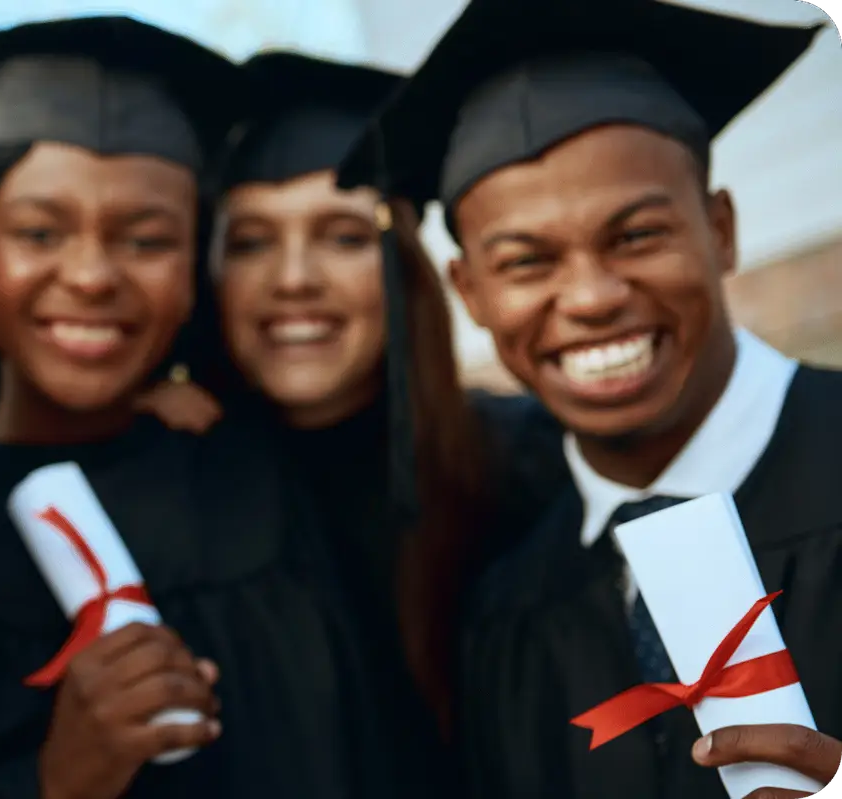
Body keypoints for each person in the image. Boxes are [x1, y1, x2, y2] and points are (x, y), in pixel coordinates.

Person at [0, 17, 397, 798]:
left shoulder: (263, 472)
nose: (94, 276)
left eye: (146, 239)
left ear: (190, 279)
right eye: (39, 231)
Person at [338, 0, 842, 795]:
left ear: (720, 230)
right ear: (469, 292)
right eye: (526, 262)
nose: (592, 297)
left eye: (637, 236)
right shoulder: (506, 618)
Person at [189, 50, 571, 794]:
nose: (294, 277)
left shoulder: (533, 467)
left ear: (405, 267)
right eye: (251, 241)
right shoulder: (176, 504)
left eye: (343, 235)